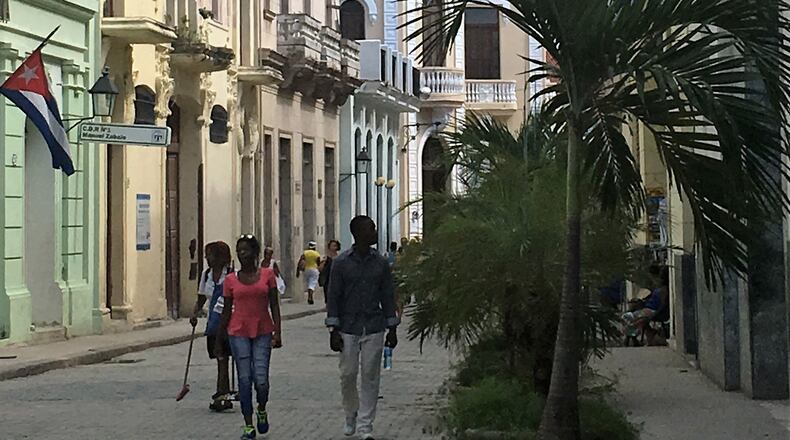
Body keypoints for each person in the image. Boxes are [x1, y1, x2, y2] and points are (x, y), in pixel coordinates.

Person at [326, 216, 400, 440]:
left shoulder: (380, 262)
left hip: (374, 326)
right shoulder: (341, 263)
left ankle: (366, 425)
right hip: (348, 327)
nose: (375, 232)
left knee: (370, 375)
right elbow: (333, 296)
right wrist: (333, 329)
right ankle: (351, 413)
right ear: (358, 233)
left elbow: (388, 295)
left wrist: (392, 328)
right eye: (371, 229)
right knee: (348, 374)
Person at [217, 235, 283, 440]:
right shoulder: (230, 280)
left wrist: (277, 332)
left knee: (261, 380)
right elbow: (226, 311)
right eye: (239, 250)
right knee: (244, 379)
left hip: (263, 330)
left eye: (245, 250)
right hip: (238, 332)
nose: (241, 254)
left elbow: (274, 305)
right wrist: (220, 338)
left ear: (255, 252)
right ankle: (248, 424)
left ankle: (261, 408)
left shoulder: (268, 275)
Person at [190, 241, 233, 412]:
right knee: (220, 358)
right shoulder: (206, 274)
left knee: (223, 357)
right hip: (213, 323)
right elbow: (202, 297)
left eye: (210, 254)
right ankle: (224, 393)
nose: (207, 258)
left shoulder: (231, 275)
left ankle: (221, 394)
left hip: (228, 322)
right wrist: (195, 313)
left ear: (220, 257)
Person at [623, 265, 670, 346]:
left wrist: (654, 313)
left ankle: (631, 338)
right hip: (648, 309)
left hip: (651, 311)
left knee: (630, 318)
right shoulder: (659, 289)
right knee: (629, 316)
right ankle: (633, 337)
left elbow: (662, 305)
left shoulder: (663, 291)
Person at [297, 240, 321, 305]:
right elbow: (318, 263)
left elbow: (300, 260)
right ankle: (310, 296)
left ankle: (309, 295)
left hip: (306, 269)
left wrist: (298, 270)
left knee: (308, 283)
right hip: (314, 269)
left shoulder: (305, 253)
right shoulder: (316, 254)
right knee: (312, 284)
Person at [319, 240, 341, 304]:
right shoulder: (326, 258)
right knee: (328, 297)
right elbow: (320, 269)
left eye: (335, 246)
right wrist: (323, 261)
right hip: (327, 280)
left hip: (337, 280)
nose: (333, 247)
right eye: (332, 246)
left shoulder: (340, 258)